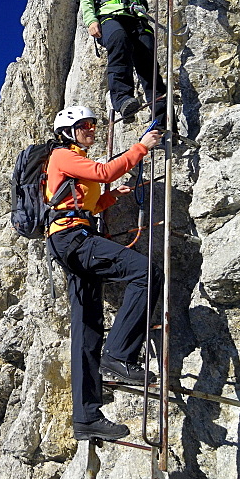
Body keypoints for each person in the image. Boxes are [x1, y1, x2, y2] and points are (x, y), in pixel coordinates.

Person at [46, 105, 163, 442]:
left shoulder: (72, 164)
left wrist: (110, 199)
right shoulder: (63, 156)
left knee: (86, 330)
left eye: (94, 125)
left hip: (69, 241)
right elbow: (104, 171)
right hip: (73, 239)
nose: (92, 130)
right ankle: (119, 355)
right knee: (146, 272)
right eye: (85, 125)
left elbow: (89, 202)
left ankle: (86, 418)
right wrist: (142, 146)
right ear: (68, 131)